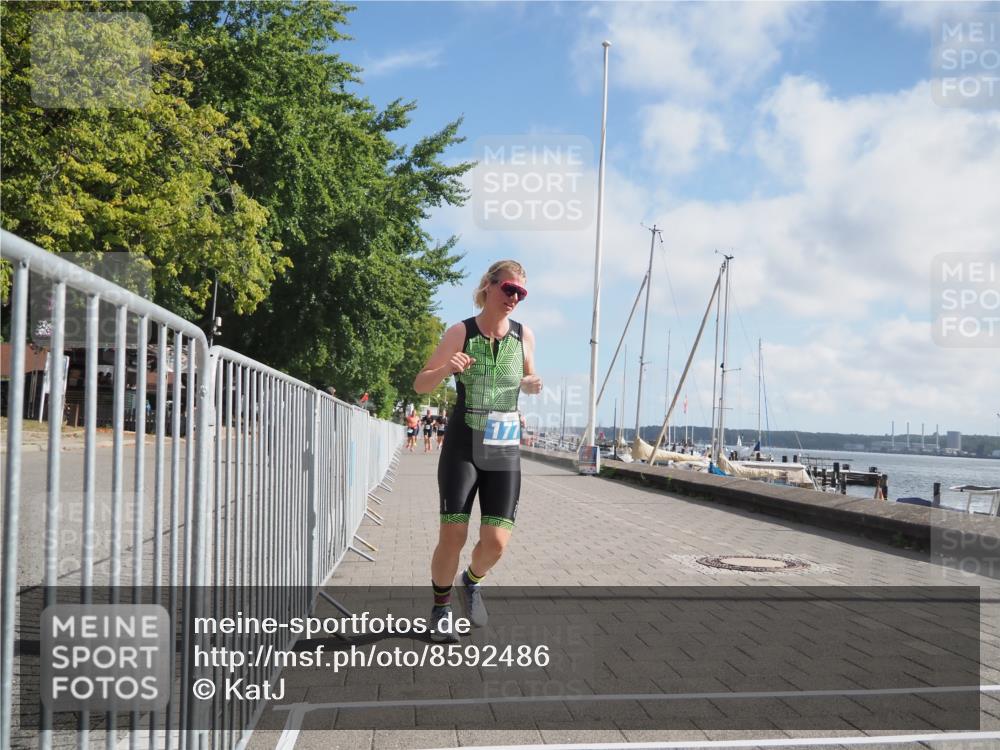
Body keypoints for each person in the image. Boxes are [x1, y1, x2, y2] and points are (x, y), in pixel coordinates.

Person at [413, 260, 541, 642]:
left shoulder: (524, 336)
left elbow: (530, 377)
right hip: (463, 442)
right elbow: (421, 384)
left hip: (503, 443)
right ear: (488, 285)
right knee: (453, 534)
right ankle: (440, 609)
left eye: (520, 293)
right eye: (508, 289)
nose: (513, 298)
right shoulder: (460, 331)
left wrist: (533, 384)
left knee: (497, 541)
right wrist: (445, 370)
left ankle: (471, 581)